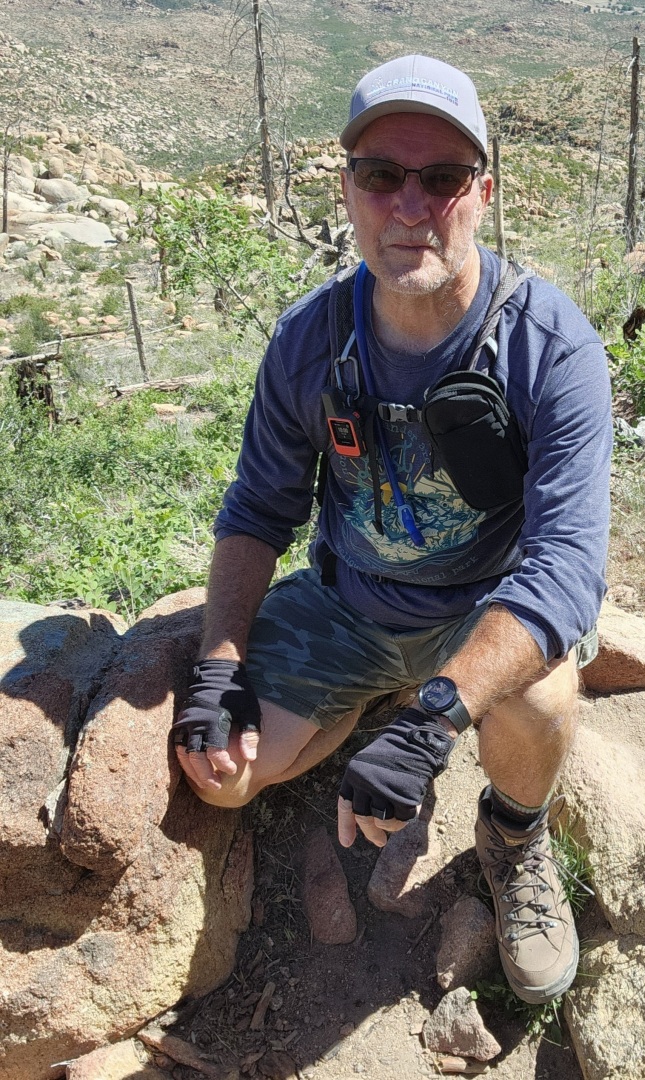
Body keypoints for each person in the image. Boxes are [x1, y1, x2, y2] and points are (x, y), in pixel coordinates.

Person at [173, 54, 612, 1005]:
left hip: (482, 612)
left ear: (482, 194)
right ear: (350, 191)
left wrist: (436, 714)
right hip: (349, 606)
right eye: (382, 175)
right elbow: (258, 510)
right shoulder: (309, 342)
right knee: (222, 776)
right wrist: (216, 666)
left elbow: (568, 568)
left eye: (443, 178)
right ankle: (371, 713)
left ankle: (513, 835)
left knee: (533, 704)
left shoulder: (549, 346)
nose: (409, 204)